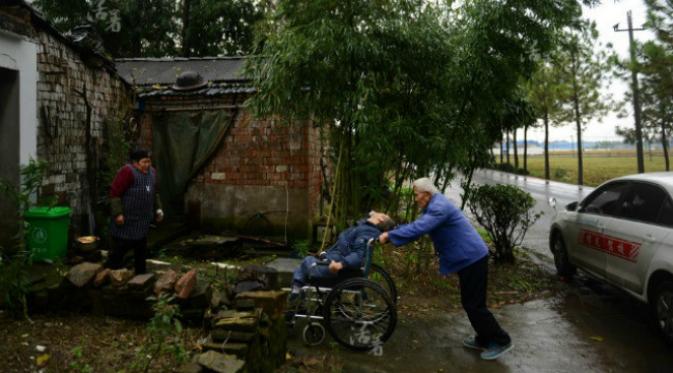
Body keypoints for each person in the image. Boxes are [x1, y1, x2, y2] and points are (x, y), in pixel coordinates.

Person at [379, 177, 513, 360]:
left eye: (416, 194)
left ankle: (501, 340)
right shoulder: (433, 206)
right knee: (470, 303)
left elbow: (419, 228)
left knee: (474, 304)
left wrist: (390, 235)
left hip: (472, 257)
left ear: (426, 194)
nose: (415, 199)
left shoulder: (438, 208)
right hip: (468, 258)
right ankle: (484, 338)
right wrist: (393, 231)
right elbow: (416, 227)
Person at [290, 212, 396, 298]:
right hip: (334, 257)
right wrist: (327, 253)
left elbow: (358, 255)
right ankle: (298, 290)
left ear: (381, 219)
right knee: (307, 261)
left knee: (307, 261)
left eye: (381, 213)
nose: (376, 212)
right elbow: (348, 246)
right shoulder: (366, 227)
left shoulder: (367, 231)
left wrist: (341, 264)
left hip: (338, 270)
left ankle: (296, 291)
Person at [107, 149, 163, 274]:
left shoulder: (152, 173)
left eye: (149, 161)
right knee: (121, 247)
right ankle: (109, 270)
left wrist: (158, 209)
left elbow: (155, 194)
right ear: (135, 163)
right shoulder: (127, 172)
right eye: (144, 162)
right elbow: (114, 193)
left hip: (143, 221)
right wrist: (118, 214)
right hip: (127, 221)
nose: (147, 165)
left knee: (141, 248)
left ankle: (140, 274)